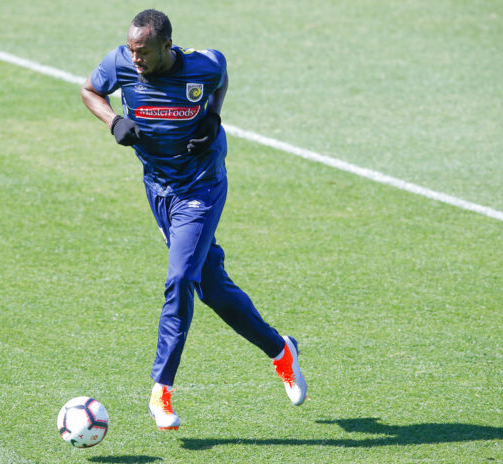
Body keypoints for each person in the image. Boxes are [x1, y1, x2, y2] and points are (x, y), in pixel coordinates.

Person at [80, 9, 307, 431]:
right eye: (132, 51)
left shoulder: (203, 65)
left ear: (167, 46)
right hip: (159, 188)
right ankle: (281, 351)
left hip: (201, 187)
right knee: (210, 288)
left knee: (181, 278)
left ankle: (160, 390)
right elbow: (90, 90)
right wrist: (113, 120)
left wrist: (213, 117)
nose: (136, 60)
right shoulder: (120, 64)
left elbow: (220, 79)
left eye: (144, 52)